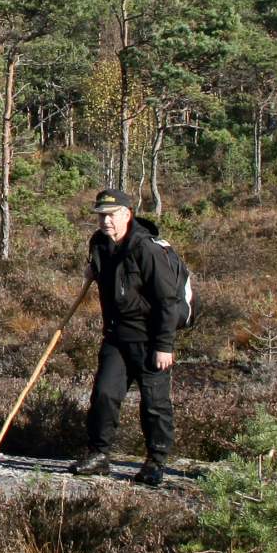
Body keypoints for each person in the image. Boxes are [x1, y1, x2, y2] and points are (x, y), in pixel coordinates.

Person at [71, 189, 185, 486]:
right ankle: (99, 454)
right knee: (105, 394)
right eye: (101, 215)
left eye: (111, 215)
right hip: (116, 335)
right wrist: (93, 269)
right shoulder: (99, 243)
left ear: (126, 213)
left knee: (154, 403)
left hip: (149, 339)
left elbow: (167, 300)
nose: (105, 221)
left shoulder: (146, 248)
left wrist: (164, 345)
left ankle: (156, 462)